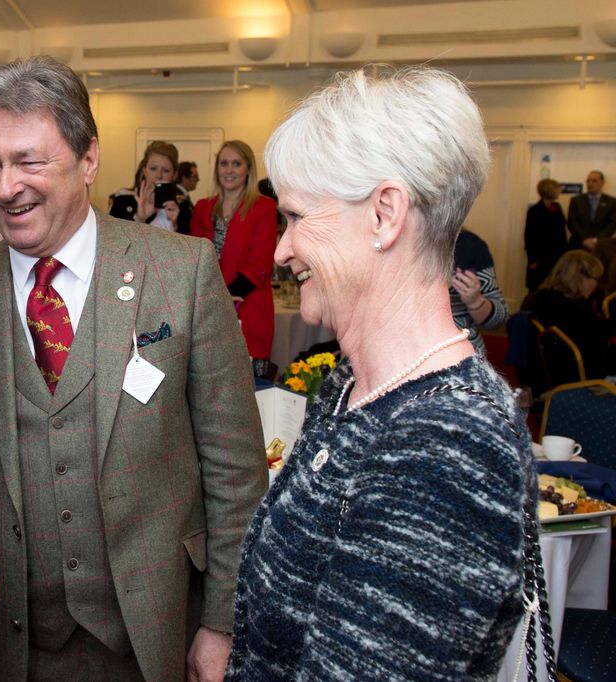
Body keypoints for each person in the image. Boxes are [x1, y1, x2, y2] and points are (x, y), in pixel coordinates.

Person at [0, 55, 267, 682]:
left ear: (89, 159)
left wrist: (222, 624)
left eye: (29, 161)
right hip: (8, 649)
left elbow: (234, 467)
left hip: (154, 638)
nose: (5, 185)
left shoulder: (180, 275)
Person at [226, 67, 534, 680]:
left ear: (384, 214)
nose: (283, 250)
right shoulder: (352, 385)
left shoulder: (450, 445)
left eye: (296, 216)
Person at [189, 140, 278, 376]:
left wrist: (224, 298)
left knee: (251, 388)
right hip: (207, 312)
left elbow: (260, 264)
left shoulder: (264, 208)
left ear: (248, 168)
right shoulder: (203, 208)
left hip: (248, 307)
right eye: (224, 163)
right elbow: (194, 260)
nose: (229, 170)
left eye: (236, 164)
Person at [520, 249, 614, 378]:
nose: (596, 285)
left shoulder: (535, 299)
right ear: (580, 277)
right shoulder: (572, 307)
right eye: (595, 279)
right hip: (574, 376)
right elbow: (594, 348)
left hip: (544, 375)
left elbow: (589, 329)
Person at [109, 140, 192, 234]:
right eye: (153, 169)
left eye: (166, 170)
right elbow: (115, 242)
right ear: (144, 170)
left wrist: (175, 226)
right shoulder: (123, 200)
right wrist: (140, 219)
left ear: (175, 175)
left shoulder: (182, 208)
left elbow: (188, 246)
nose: (159, 175)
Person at [449, 228, 508, 355]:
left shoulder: (469, 246)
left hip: (463, 357)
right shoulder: (398, 243)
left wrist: (475, 301)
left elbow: (499, 319)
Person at [524, 177, 568, 291]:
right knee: (537, 286)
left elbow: (562, 231)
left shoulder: (557, 207)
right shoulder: (534, 211)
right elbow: (530, 236)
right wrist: (532, 259)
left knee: (555, 286)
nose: (559, 191)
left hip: (557, 255)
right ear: (549, 190)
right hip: (541, 257)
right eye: (557, 189)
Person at [567, 170, 615, 250]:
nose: (590, 184)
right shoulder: (576, 200)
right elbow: (572, 222)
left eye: (594, 181)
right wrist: (585, 239)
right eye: (588, 181)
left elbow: (612, 224)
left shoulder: (612, 202)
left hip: (602, 247)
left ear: (602, 183)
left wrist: (595, 240)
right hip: (578, 245)